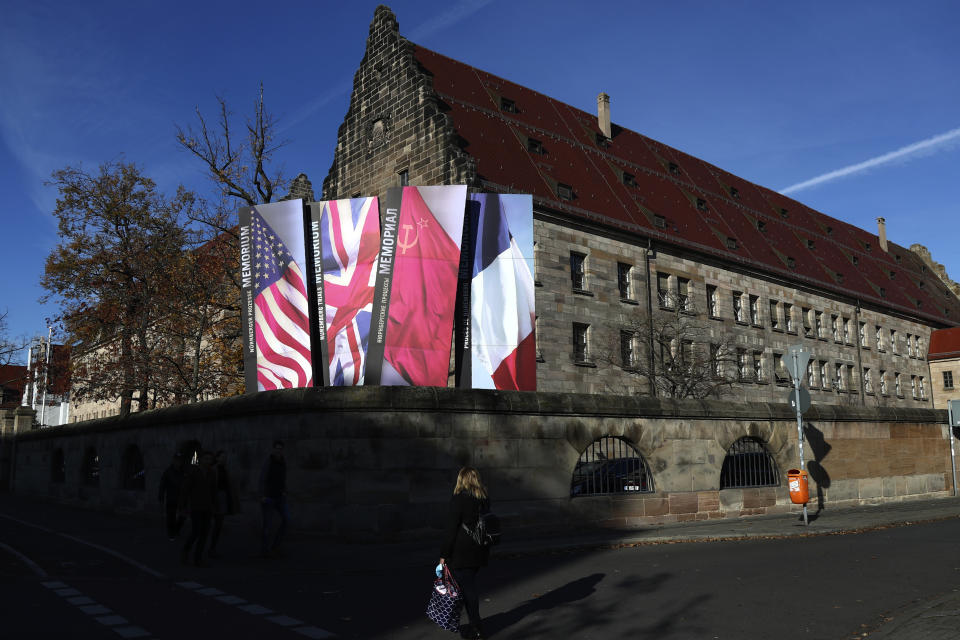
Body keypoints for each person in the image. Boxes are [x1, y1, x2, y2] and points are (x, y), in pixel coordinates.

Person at [439, 467, 490, 640]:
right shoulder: (483, 498)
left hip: (462, 552)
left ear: (461, 479)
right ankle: (474, 626)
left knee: (466, 590)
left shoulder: (459, 499)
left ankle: (477, 628)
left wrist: (444, 554)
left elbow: (451, 529)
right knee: (468, 587)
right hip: (479, 550)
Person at [178, 450, 218, 567]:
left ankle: (198, 558)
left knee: (205, 533)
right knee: (196, 531)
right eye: (206, 459)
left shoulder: (211, 473)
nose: (208, 461)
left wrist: (216, 506)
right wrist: (183, 505)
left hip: (207, 507)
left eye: (210, 459)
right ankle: (186, 550)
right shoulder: (194, 472)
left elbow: (214, 491)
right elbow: (185, 490)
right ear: (201, 460)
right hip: (196, 507)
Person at [260, 440, 289, 557]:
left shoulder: (283, 462)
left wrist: (285, 491)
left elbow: (283, 478)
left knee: (287, 520)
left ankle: (275, 547)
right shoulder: (268, 462)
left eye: (280, 448)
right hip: (268, 497)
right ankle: (266, 550)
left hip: (280, 496)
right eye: (277, 448)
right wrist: (261, 495)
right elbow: (262, 478)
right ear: (273, 449)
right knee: (268, 525)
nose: (278, 450)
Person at [208, 450, 239, 558]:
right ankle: (209, 548)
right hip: (215, 497)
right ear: (217, 458)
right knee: (213, 525)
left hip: (223, 497)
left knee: (219, 525)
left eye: (225, 457)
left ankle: (212, 548)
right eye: (222, 457)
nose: (224, 459)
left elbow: (229, 484)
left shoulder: (225, 470)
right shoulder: (214, 469)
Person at [158, 453, 185, 540]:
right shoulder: (168, 472)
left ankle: (176, 530)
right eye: (176, 460)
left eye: (179, 460)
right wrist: (161, 498)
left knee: (183, 516)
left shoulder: (183, 471)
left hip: (181, 498)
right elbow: (162, 486)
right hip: (171, 497)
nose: (178, 462)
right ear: (173, 460)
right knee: (171, 517)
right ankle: (171, 533)